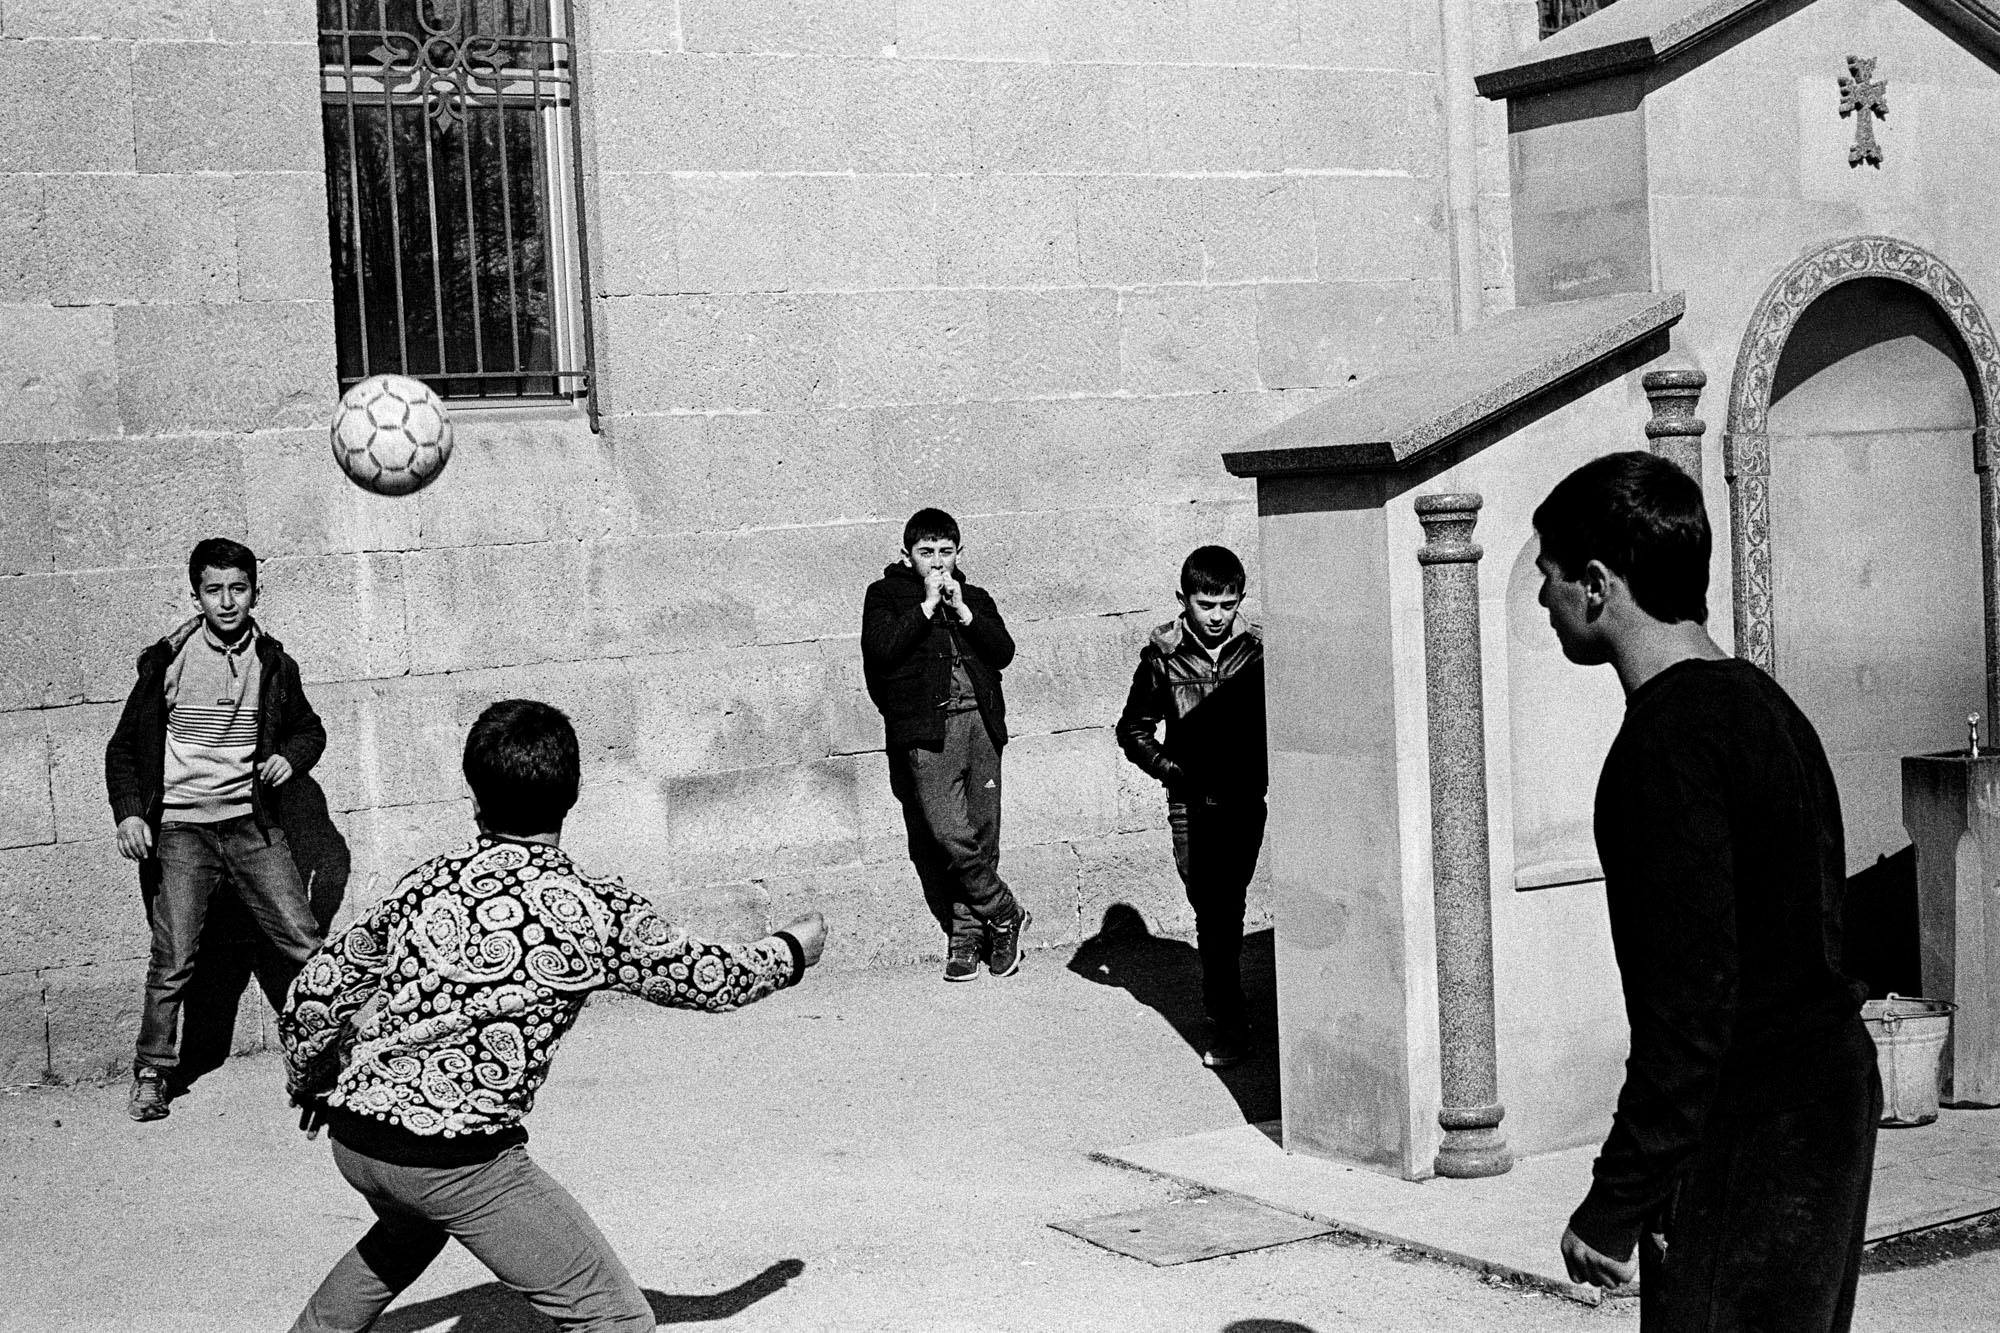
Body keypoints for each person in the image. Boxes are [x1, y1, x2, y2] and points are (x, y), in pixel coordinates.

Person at [280, 699, 827, 1333]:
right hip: (453, 1160)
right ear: (572, 795)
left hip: (357, 1140)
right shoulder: (595, 909)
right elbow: (712, 979)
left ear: (474, 797)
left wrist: (313, 1080)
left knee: (408, 1231)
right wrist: (791, 950)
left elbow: (316, 992)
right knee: (615, 1320)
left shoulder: (424, 882)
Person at [1534, 452, 1879, 1330]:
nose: (1542, 598)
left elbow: (1691, 1004)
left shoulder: (1666, 745)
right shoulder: (1765, 705)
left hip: (1752, 1131)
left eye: (1549, 575)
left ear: (1597, 585)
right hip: (1827, 1103)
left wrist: (1618, 1196)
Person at [105, 537, 328, 1123]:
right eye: (214, 590)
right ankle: (153, 1072)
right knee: (174, 956)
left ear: (255, 592)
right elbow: (123, 748)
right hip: (181, 828)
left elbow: (309, 730)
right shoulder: (168, 663)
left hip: (251, 824)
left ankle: (327, 1057)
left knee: (304, 942)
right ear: (196, 596)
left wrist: (290, 759)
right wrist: (130, 813)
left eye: (238, 589)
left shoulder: (275, 664)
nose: (227, 602)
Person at [1114, 545, 1267, 1069]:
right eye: (1206, 605)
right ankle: (1227, 1008)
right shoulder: (1163, 657)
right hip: (1190, 804)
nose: (1217, 616)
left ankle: (1227, 1014)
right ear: (1184, 600)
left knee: (1225, 906)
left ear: (1240, 599)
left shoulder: (1260, 651)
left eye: (1227, 604)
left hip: (1244, 800)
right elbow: (1133, 730)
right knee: (1210, 904)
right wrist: (1175, 773)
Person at [861, 508, 1029, 981]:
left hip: (981, 725)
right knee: (950, 835)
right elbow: (882, 651)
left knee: (983, 833)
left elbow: (1003, 652)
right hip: (929, 731)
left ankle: (968, 936)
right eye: (926, 552)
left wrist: (964, 611)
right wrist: (926, 606)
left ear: (959, 553)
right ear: (906, 555)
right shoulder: (885, 595)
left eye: (946, 552)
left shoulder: (975, 596)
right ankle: (1005, 909)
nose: (937, 562)